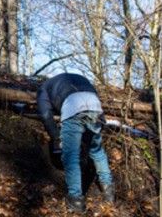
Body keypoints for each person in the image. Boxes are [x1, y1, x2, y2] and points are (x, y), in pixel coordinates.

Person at [36, 73, 115, 213]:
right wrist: (100, 119)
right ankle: (109, 193)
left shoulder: (44, 88)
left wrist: (55, 135)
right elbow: (94, 96)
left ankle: (76, 202)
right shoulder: (80, 78)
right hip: (94, 106)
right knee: (96, 150)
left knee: (71, 157)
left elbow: (45, 114)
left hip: (72, 107)